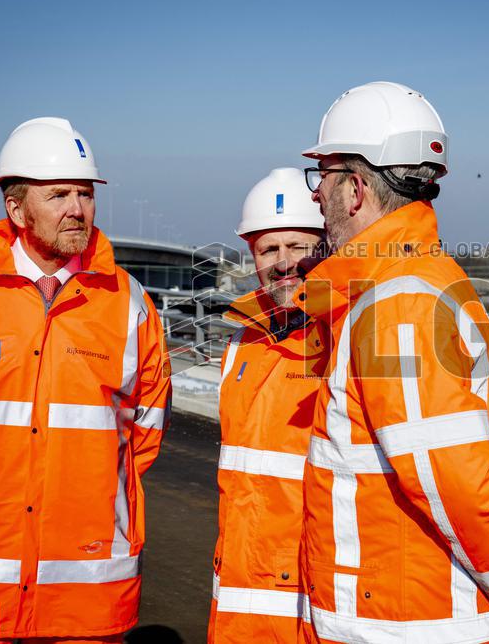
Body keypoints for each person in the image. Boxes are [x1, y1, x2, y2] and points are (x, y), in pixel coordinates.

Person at [294, 82, 489, 643]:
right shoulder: (424, 279)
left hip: (404, 621)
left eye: (321, 177)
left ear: (353, 189)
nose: (315, 197)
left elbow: (453, 479)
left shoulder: (397, 302)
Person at [0, 117, 171, 643]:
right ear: (16, 209)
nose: (76, 209)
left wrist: (83, 491)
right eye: (58, 194)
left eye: (85, 194)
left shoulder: (130, 303)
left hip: (85, 584)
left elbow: (145, 433)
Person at [209, 168, 329, 642]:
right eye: (268, 249)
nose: (283, 263)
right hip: (239, 592)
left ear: (325, 246)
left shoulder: (348, 339)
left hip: (310, 602)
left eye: (298, 246)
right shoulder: (242, 343)